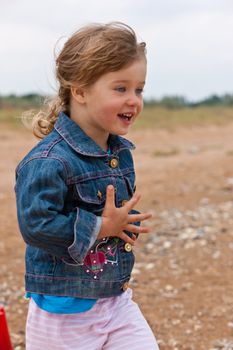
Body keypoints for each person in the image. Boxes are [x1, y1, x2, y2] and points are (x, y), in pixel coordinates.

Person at [15, 22, 159, 349]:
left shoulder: (119, 153)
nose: (133, 100)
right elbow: (37, 225)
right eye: (120, 89)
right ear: (79, 91)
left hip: (115, 298)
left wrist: (124, 223)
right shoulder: (48, 161)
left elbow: (110, 213)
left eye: (139, 89)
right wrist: (102, 226)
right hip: (65, 309)